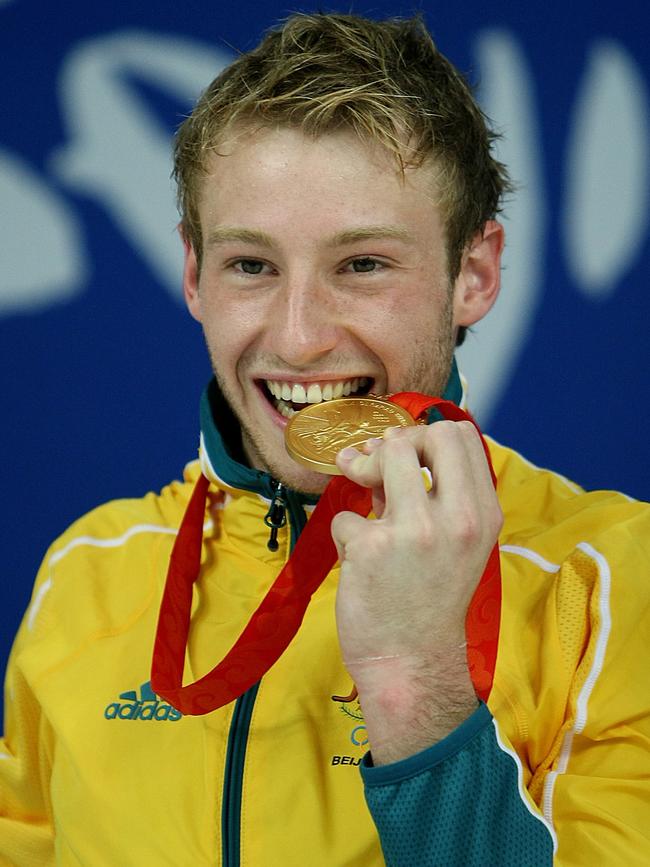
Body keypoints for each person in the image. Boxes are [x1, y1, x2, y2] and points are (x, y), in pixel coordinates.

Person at [1, 12, 648, 866]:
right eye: (252, 265)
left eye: (363, 264)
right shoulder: (85, 569)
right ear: (194, 275)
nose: (300, 337)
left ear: (475, 275)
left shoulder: (611, 583)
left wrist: (417, 684)